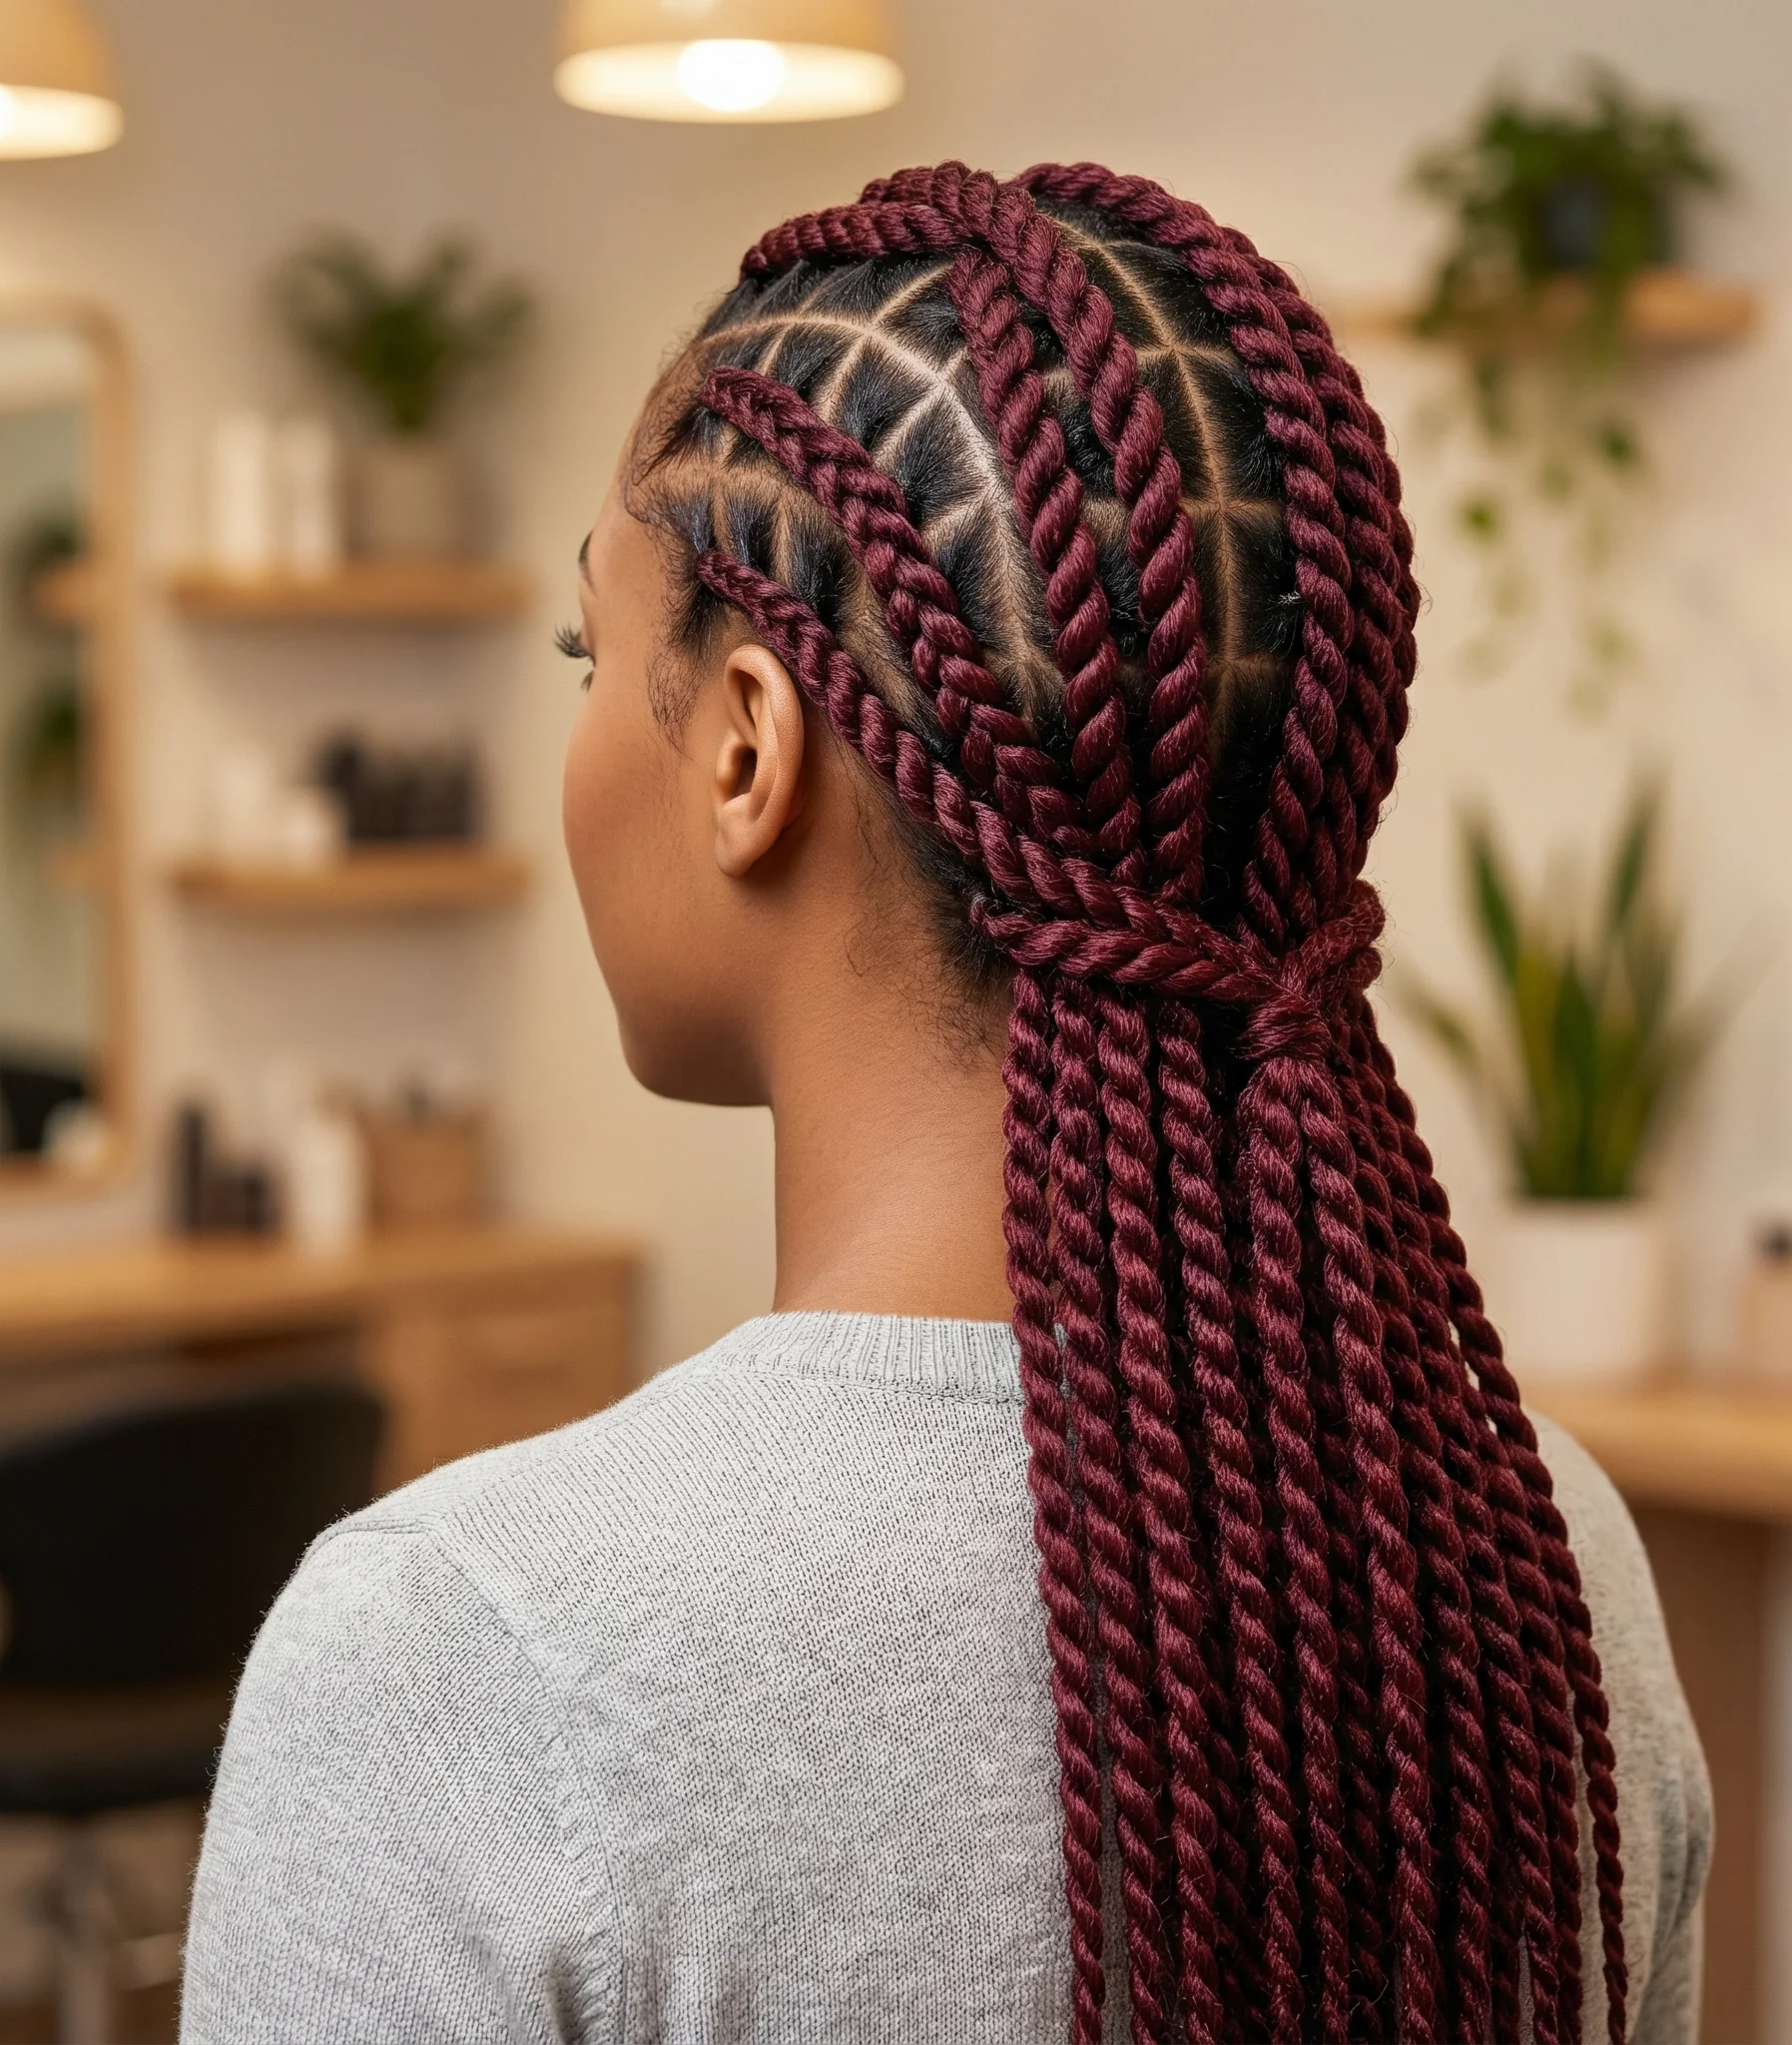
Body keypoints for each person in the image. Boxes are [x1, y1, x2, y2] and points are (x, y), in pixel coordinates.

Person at [183, 164, 1710, 2045]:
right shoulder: (1534, 1565)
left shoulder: (464, 1659)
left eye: (593, 654)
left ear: (748, 741)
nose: (575, 738)